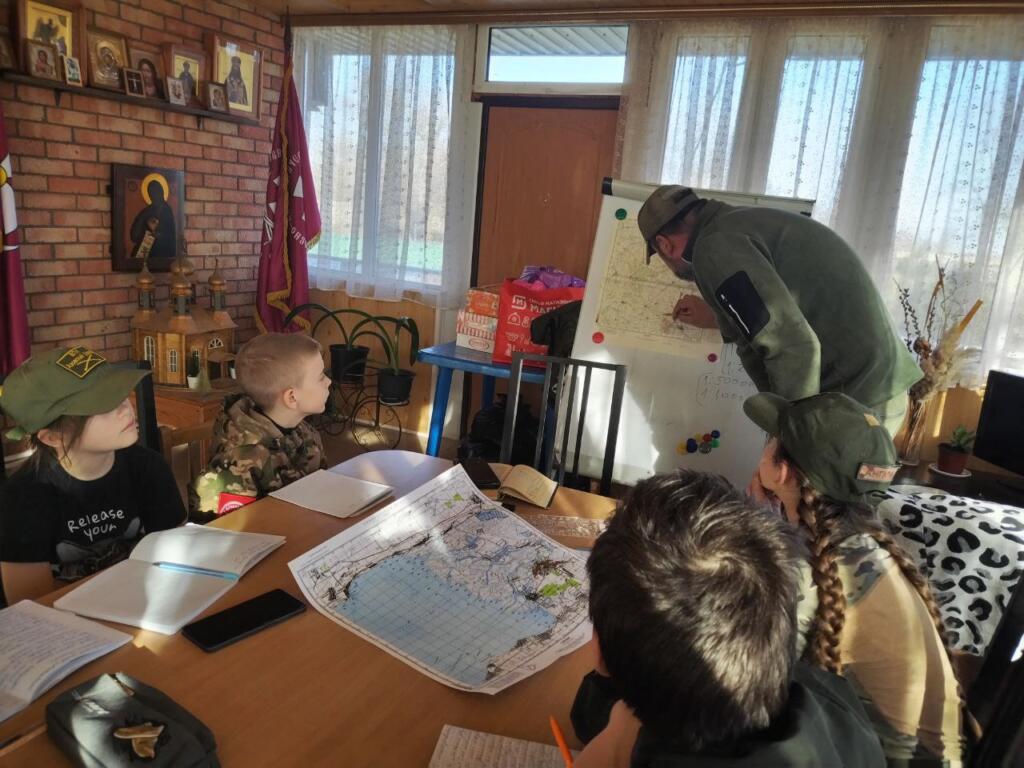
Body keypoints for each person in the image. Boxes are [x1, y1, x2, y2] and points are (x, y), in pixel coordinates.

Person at [570, 470, 886, 767]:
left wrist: (615, 735)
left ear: (599, 650)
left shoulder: (637, 740)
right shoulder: (830, 705)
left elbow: (591, 728)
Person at [744, 391, 964, 764]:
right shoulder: (861, 544)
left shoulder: (810, 578)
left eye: (771, 440)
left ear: (781, 471)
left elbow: (741, 686)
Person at [638, 185, 922, 435]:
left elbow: (794, 347)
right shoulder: (744, 224)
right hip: (877, 389)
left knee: (793, 477)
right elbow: (777, 310)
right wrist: (717, 317)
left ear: (664, 245)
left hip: (856, 399)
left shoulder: (713, 248)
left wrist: (788, 439)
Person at [0, 346, 186, 605]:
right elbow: (32, 607)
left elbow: (179, 561)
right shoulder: (22, 499)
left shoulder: (148, 467)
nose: (126, 408)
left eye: (121, 394)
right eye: (103, 404)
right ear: (52, 437)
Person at [190, 333, 330, 520]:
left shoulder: (304, 431)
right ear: (291, 397)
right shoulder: (238, 462)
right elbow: (231, 531)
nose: (328, 381)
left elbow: (321, 489)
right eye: (321, 377)